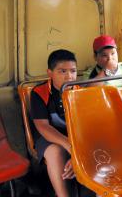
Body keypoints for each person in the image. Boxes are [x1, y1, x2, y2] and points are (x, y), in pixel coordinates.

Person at [30, 49, 77, 197]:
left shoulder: (79, 90)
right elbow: (43, 126)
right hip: (48, 137)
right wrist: (70, 147)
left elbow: (84, 125)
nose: (69, 76)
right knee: (56, 152)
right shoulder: (39, 92)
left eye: (73, 71)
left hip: (74, 136)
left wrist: (75, 153)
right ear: (50, 73)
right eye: (62, 71)